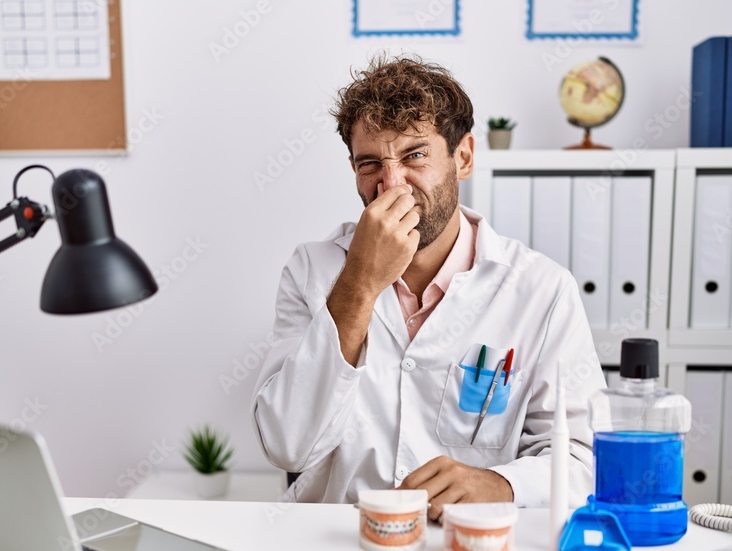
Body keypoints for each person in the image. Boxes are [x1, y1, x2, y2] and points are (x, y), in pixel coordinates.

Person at [251, 54, 605, 519]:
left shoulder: (543, 290)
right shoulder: (311, 271)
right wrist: (360, 281)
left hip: (467, 544)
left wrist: (499, 483)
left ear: (463, 158)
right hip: (333, 541)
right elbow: (286, 446)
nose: (391, 185)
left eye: (415, 155)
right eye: (370, 163)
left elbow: (583, 461)